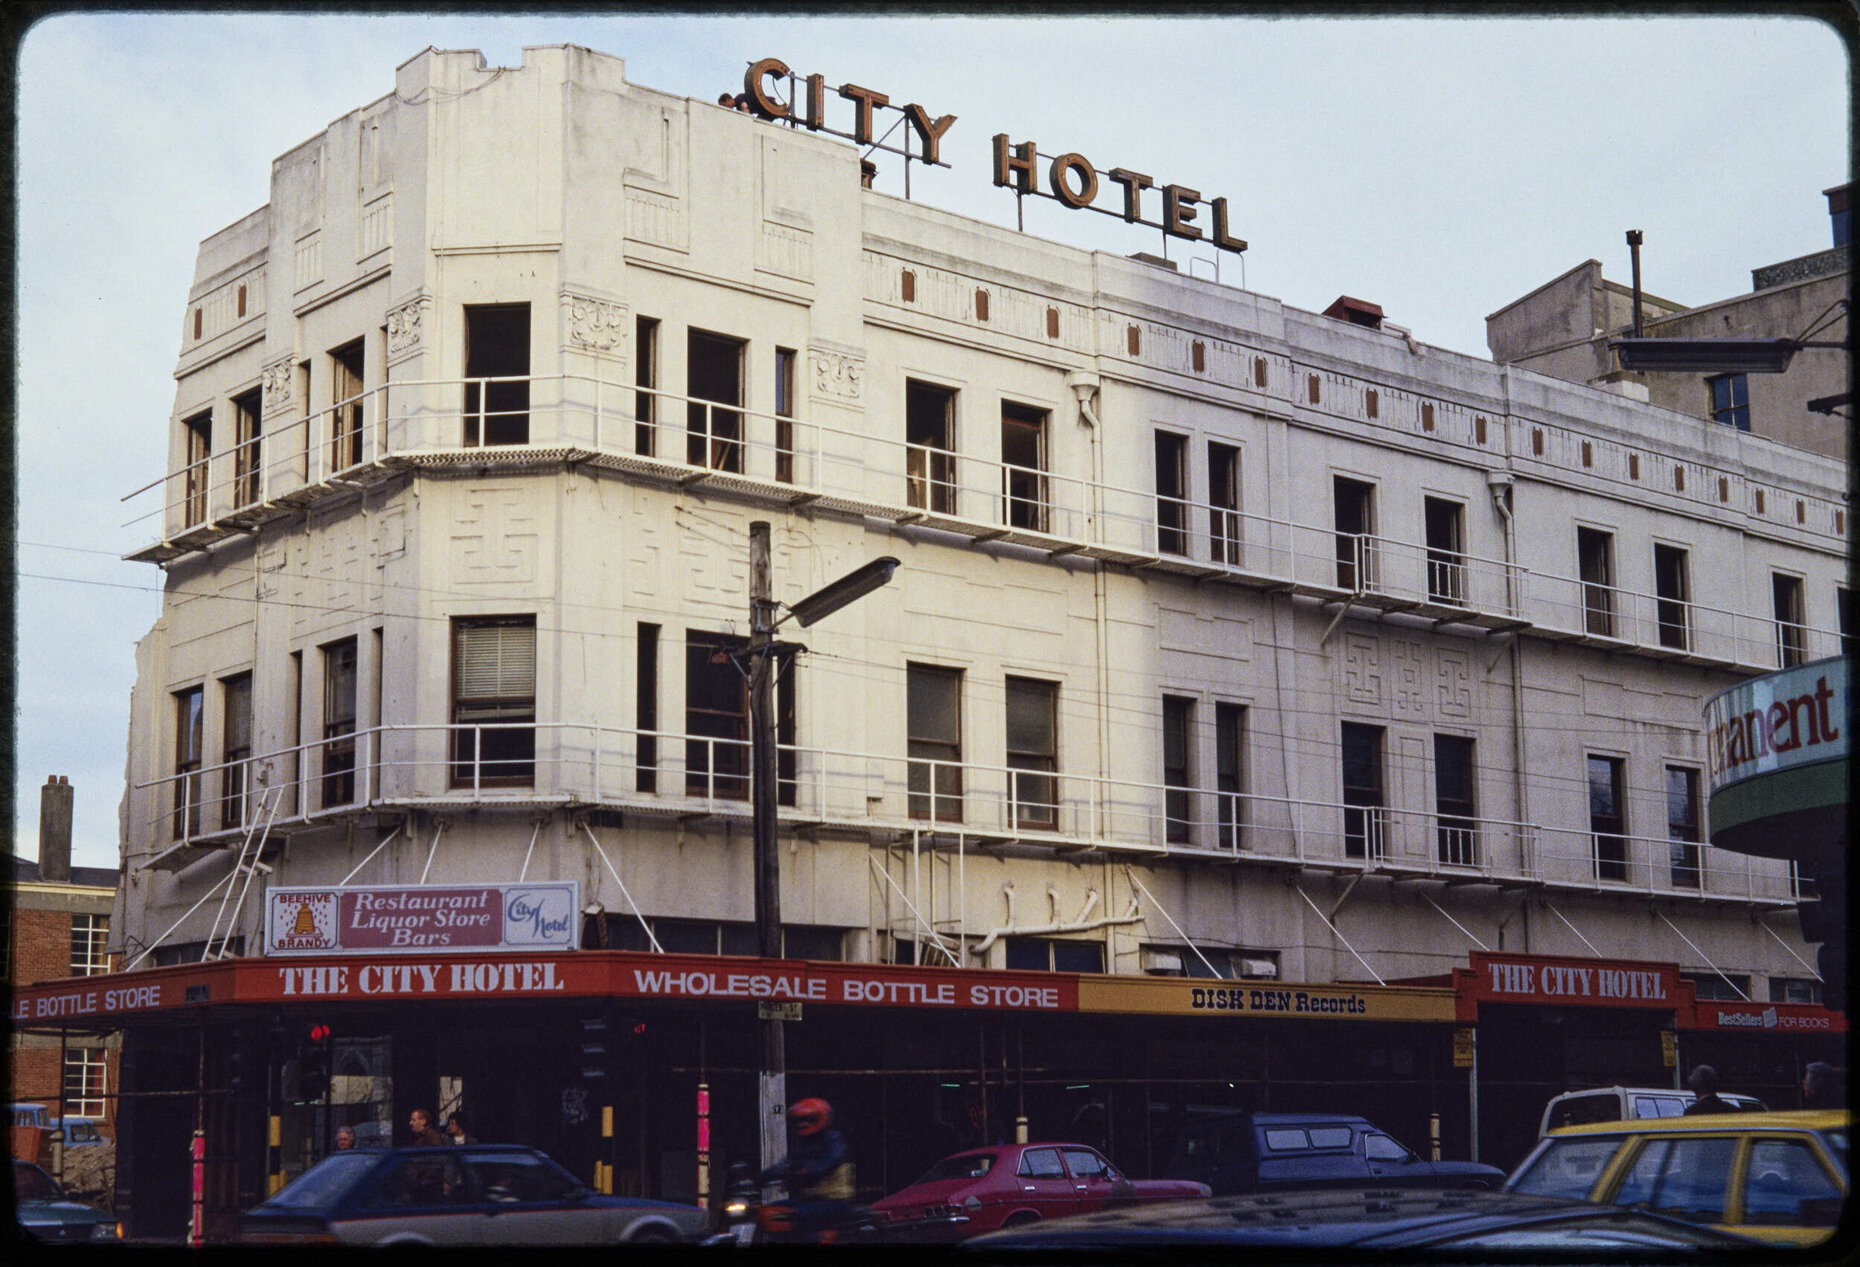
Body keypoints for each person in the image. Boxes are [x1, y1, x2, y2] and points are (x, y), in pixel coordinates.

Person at [759, 1097, 856, 1243]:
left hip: (835, 1201)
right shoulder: (802, 1144)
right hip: (809, 1200)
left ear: (821, 1118)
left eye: (809, 1119)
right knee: (768, 1213)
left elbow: (827, 1163)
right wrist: (763, 1177)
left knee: (797, 1215)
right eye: (799, 1120)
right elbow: (786, 1164)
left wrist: (806, 1170)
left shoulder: (833, 1140)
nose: (803, 1124)